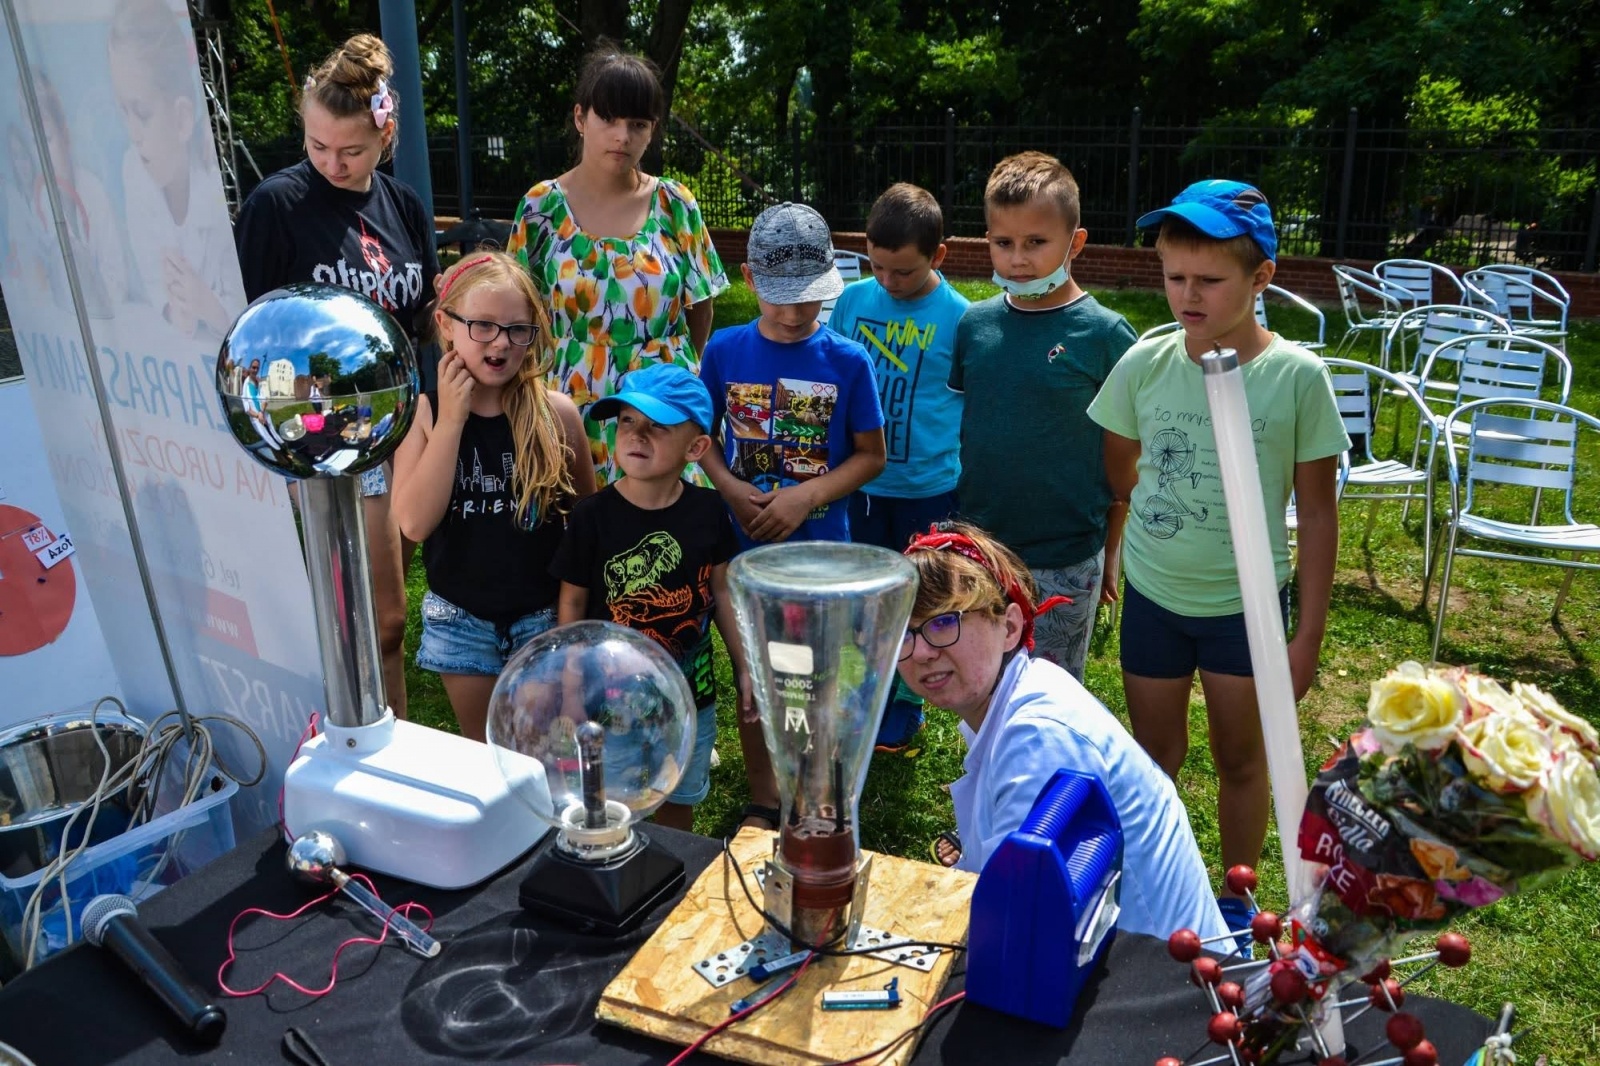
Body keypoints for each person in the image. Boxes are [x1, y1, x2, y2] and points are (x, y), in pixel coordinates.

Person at [1087, 179, 1348, 941]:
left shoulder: (1297, 378)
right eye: (1174, 277)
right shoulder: (1146, 363)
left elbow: (1319, 514)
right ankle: (1158, 883)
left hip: (1249, 611)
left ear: (1261, 278)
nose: (1187, 295)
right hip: (1157, 598)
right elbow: (1119, 463)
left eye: (1209, 280)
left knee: (1242, 758)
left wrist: (1307, 636)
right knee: (1155, 754)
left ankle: (1237, 894)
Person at [233, 34, 440, 721]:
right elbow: (251, 334)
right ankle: (374, 741)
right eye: (317, 146)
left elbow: (423, 311)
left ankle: (394, 734)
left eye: (350, 151)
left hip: (406, 418)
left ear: (386, 133)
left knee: (393, 617)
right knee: (379, 618)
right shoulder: (275, 206)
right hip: (327, 430)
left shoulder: (404, 205)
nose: (331, 163)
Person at [895, 521, 1228, 943]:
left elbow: (1013, 924)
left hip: (1163, 984)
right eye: (905, 631)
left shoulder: (1039, 737)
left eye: (944, 623)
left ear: (1010, 628)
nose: (921, 651)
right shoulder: (1024, 695)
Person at [699, 200, 886, 828]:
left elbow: (871, 456)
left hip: (818, 556)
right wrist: (729, 487)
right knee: (755, 678)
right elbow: (705, 443)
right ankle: (765, 798)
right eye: (776, 297)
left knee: (815, 676)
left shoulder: (848, 362)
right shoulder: (724, 352)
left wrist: (807, 496)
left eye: (806, 299)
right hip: (744, 552)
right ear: (748, 279)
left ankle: (813, 792)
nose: (789, 313)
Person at [391, 252, 595, 741]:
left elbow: (588, 532)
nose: (501, 343)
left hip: (540, 617)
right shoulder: (424, 413)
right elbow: (414, 524)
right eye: (482, 326)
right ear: (445, 324)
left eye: (517, 329)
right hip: (460, 621)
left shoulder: (557, 416)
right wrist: (453, 420)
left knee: (539, 752)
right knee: (486, 754)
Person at [950, 151, 1137, 682]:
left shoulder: (1105, 334)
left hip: (1067, 552)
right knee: (983, 681)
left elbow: (1125, 456)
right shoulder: (974, 325)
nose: (1017, 259)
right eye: (1003, 242)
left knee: (1051, 689)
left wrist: (1111, 549)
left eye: (1036, 242)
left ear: (1074, 243)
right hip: (981, 547)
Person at [509, 47, 727, 486]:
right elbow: (516, 310)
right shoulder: (540, 208)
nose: (622, 136)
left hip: (661, 408)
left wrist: (678, 367)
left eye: (637, 124)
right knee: (579, 533)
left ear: (652, 131)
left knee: (669, 535)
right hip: (569, 402)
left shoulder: (675, 204)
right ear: (579, 118)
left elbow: (700, 305)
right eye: (608, 119)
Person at [550, 364, 754, 832]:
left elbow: (721, 591)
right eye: (626, 421)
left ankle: (672, 876)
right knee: (613, 802)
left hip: (690, 695)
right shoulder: (592, 516)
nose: (636, 435)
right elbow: (573, 607)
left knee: (677, 794)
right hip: (609, 698)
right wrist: (570, 692)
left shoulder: (708, 512)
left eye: (657, 426)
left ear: (697, 448)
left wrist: (745, 666)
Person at [828, 183, 968, 750]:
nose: (888, 281)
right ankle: (866, 693)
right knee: (864, 597)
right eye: (878, 266)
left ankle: (907, 701)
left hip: (928, 489)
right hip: (861, 486)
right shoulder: (852, 301)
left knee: (919, 599)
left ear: (939, 255)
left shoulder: (962, 319)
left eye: (903, 272)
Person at [108, 0, 238, 339]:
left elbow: (242, 321)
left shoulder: (214, 191)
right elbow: (153, 285)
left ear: (182, 118)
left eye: (143, 112)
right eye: (124, 112)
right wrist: (174, 310)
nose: (133, 133)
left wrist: (205, 304)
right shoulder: (133, 171)